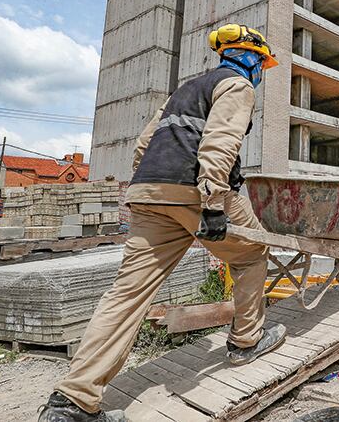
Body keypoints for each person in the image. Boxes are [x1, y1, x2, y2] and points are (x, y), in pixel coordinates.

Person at [39, 24, 285, 422]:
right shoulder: (238, 86)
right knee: (252, 252)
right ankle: (245, 342)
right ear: (252, 58)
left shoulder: (184, 91)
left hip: (150, 193)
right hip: (194, 192)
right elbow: (221, 140)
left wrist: (149, 185)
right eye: (262, 64)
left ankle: (73, 402)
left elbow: (144, 145)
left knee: (128, 293)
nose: (261, 71)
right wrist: (212, 203)